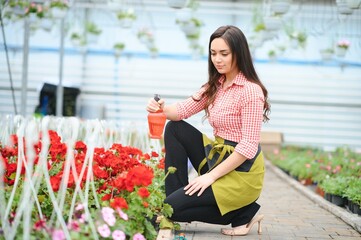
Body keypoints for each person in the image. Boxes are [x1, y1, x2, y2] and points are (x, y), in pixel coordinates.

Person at [146, 25, 270, 236]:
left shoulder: (251, 91)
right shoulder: (216, 85)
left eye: (224, 53)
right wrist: (161, 108)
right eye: (213, 53)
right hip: (218, 156)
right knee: (175, 128)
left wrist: (209, 177)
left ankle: (243, 210)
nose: (217, 59)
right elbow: (182, 111)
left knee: (171, 209)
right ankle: (238, 213)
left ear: (238, 53)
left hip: (242, 171)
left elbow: (248, 146)